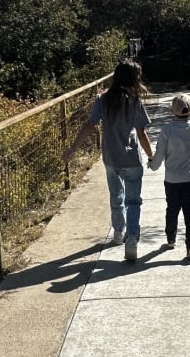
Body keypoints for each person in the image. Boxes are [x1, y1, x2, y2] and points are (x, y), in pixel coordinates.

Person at [63, 60, 153, 262]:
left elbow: (89, 125)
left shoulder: (102, 100)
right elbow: (141, 132)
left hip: (110, 157)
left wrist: (73, 149)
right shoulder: (135, 101)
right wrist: (150, 155)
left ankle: (119, 232)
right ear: (133, 78)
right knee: (133, 201)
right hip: (130, 158)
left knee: (116, 195)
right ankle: (131, 238)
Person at [148, 92, 190, 259]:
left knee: (172, 209)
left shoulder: (167, 130)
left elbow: (160, 154)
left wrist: (152, 165)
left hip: (172, 180)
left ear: (172, 110)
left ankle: (171, 239)